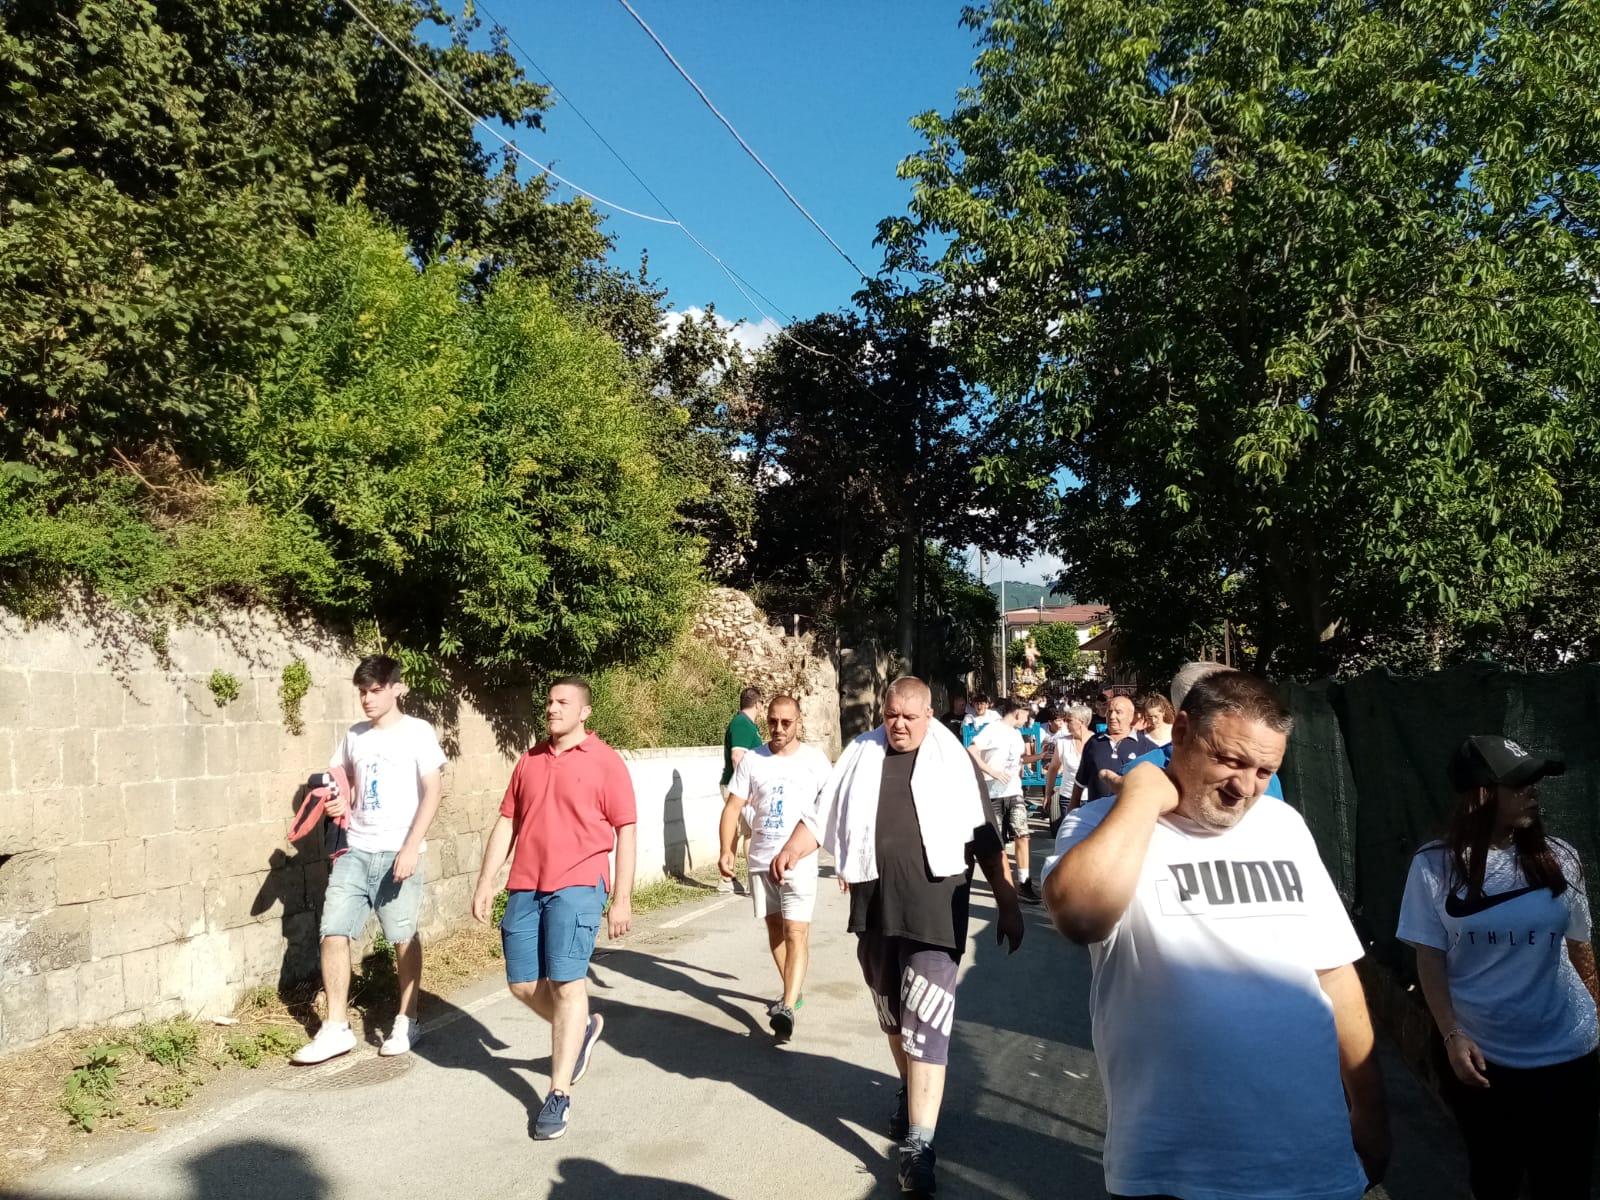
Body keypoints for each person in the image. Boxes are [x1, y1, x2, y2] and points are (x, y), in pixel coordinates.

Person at [1043, 670, 1389, 1200]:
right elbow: (1081, 916)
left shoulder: (1283, 825)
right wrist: (1141, 798)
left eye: (1265, 771)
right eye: (1230, 760)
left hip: (1312, 1160)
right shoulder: (1100, 825)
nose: (1245, 788)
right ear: (1181, 732)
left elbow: (1334, 973)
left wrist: (1369, 1107)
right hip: (1172, 1167)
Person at [770, 676, 1024, 1197]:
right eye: (891, 716)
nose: (899, 725)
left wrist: (1008, 903)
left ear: (929, 715)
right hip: (875, 911)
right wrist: (793, 848)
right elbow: (822, 812)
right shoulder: (861, 755)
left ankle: (919, 1145)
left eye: (910, 716)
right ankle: (909, 1089)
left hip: (935, 914)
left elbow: (985, 838)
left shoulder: (954, 762)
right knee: (893, 1017)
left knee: (926, 1022)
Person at [1398, 735, 1599, 1200]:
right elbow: (1429, 956)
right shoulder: (1433, 867)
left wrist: (1597, 1014)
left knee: (1566, 1185)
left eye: (1534, 781)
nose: (1534, 791)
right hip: (1484, 1062)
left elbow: (1580, 945)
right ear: (1482, 794)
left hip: (1569, 1054)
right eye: (1520, 783)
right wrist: (1452, 1035)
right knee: (1495, 1179)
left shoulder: (1561, 857)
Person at [471, 677, 637, 1141]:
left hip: (580, 884)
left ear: (585, 712)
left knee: (566, 983)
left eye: (563, 702)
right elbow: (508, 822)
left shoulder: (606, 762)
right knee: (522, 984)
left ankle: (558, 1094)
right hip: (526, 883)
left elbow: (626, 829)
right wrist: (486, 881)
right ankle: (579, 1031)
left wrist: (622, 897)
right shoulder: (529, 760)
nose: (552, 708)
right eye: (548, 701)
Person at [293, 655, 445, 1065]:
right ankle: (336, 1028)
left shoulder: (417, 732)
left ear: (398, 688)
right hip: (355, 850)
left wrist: (411, 847)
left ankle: (407, 1019)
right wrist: (339, 801)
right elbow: (340, 779)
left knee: (402, 936)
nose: (367, 699)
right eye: (362, 692)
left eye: (376, 690)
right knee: (333, 931)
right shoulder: (354, 736)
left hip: (399, 850)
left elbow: (433, 791)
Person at [718, 695, 833, 1042]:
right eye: (772, 721)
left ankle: (787, 1007)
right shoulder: (753, 760)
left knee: (796, 930)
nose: (778, 728)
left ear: (799, 723)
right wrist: (726, 850)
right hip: (761, 859)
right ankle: (792, 992)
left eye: (786, 722)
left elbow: (832, 810)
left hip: (800, 859)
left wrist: (844, 861)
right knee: (775, 928)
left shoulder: (815, 761)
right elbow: (732, 808)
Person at [969, 696, 1040, 903]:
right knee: (996, 842)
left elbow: (1018, 760)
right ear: (1018, 712)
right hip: (993, 793)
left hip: (1014, 791)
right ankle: (1003, 883)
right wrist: (991, 771)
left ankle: (1024, 882)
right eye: (1026, 715)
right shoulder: (993, 729)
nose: (1027, 720)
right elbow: (971, 750)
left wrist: (1037, 757)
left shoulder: (1016, 734)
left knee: (1022, 834)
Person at [1069, 694, 1155, 809]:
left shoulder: (1146, 748)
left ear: (1130, 716)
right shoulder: (1094, 743)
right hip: (1096, 814)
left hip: (1130, 814)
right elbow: (1080, 781)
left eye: (1118, 712)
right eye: (1109, 712)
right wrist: (1073, 808)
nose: (1112, 716)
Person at [718, 686, 765, 893]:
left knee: (740, 832)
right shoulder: (742, 724)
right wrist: (746, 789)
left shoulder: (746, 724)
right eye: (762, 703)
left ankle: (727, 879)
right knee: (749, 833)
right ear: (758, 704)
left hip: (739, 787)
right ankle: (752, 881)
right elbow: (737, 756)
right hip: (738, 787)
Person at [1043, 704, 1091, 833]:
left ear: (1081, 722)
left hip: (1091, 798)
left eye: (1069, 720)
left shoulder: (1096, 741)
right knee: (1069, 835)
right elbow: (1053, 769)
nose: (1065, 724)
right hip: (1068, 797)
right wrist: (1048, 795)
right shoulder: (1063, 742)